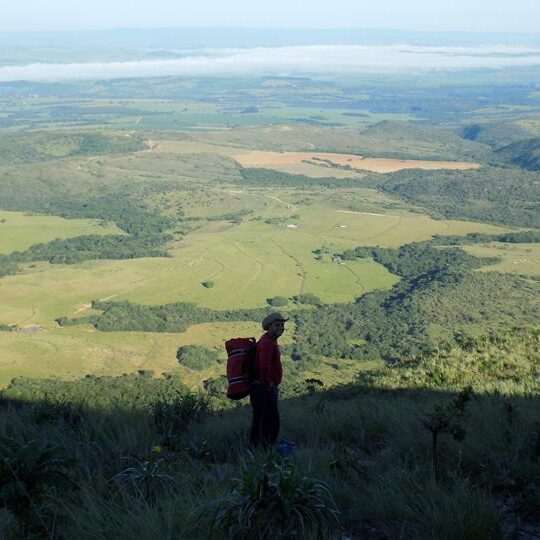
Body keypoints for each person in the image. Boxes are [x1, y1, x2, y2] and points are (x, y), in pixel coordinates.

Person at [250, 312, 288, 448]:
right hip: (264, 388)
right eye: (277, 325)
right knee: (271, 422)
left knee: (262, 420)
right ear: (269, 326)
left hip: (263, 387)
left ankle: (259, 449)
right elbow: (264, 366)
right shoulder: (267, 343)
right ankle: (265, 450)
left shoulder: (269, 341)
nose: (281, 328)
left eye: (282, 325)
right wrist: (269, 384)